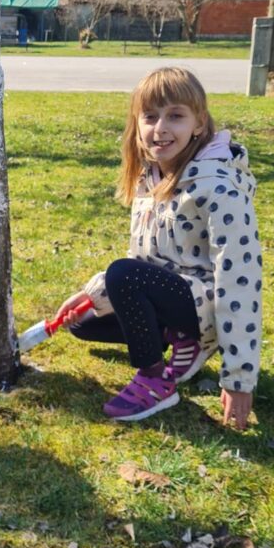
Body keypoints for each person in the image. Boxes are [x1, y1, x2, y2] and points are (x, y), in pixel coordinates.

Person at [54, 67, 262, 428]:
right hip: (174, 295)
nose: (161, 128)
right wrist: (93, 295)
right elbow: (144, 261)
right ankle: (178, 338)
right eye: (150, 116)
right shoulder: (149, 175)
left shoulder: (220, 188)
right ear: (137, 123)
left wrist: (239, 378)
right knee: (84, 323)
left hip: (207, 306)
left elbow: (240, 283)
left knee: (123, 274)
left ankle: (156, 379)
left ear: (198, 123)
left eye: (176, 116)